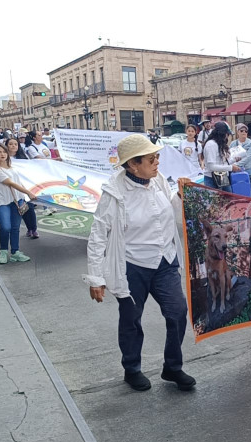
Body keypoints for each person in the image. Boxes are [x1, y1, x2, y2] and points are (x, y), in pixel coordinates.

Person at [84, 134, 195, 392]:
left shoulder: (158, 181)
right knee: (132, 319)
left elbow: (170, 210)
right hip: (132, 265)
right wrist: (96, 277)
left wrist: (180, 195)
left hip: (165, 261)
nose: (157, 162)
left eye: (157, 157)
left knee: (177, 312)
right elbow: (98, 235)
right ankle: (132, 368)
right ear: (132, 165)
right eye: (151, 159)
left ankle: (172, 367)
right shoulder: (114, 193)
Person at [0, 143, 38, 264]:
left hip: (18, 200)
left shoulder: (13, 168)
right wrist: (28, 192)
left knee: (15, 228)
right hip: (3, 201)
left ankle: (15, 252)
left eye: (4, 152)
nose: (2, 154)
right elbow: (10, 183)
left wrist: (29, 193)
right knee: (6, 227)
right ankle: (4, 251)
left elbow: (19, 183)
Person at [7, 137, 46, 235]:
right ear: (6, 146)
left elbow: (32, 168)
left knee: (30, 207)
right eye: (11, 144)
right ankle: (29, 228)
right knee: (22, 208)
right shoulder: (5, 158)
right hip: (13, 186)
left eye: (15, 144)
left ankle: (34, 229)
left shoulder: (23, 158)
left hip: (26, 186)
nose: (13, 146)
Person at [203, 121, 241, 192]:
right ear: (221, 134)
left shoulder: (220, 144)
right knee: (215, 202)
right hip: (212, 179)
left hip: (223, 177)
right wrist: (230, 168)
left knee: (229, 200)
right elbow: (211, 167)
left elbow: (223, 162)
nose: (227, 137)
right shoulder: (211, 145)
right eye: (227, 134)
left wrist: (234, 160)